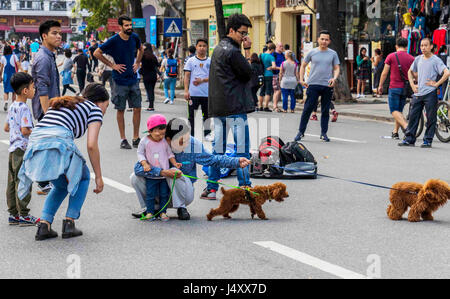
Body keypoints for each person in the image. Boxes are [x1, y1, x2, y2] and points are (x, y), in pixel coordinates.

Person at [18, 83, 109, 240]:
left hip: (36, 143)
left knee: (61, 185)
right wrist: (99, 176)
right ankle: (69, 222)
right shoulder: (94, 109)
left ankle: (44, 225)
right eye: (106, 106)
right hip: (57, 141)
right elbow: (92, 145)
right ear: (100, 102)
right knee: (83, 176)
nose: (105, 110)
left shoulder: (66, 102)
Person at [130, 118, 251, 220]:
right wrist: (162, 172)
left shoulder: (193, 144)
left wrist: (236, 161)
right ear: (168, 139)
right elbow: (138, 168)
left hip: (183, 192)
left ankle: (181, 208)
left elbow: (212, 159)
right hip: (157, 188)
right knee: (135, 177)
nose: (187, 144)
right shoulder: (156, 143)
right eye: (182, 141)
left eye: (188, 139)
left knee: (175, 173)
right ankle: (151, 208)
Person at [204, 13, 254, 200]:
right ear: (231, 30)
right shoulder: (233, 52)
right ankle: (245, 188)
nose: (244, 37)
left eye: (246, 34)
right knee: (242, 150)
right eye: (242, 33)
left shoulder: (218, 48)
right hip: (234, 108)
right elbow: (248, 73)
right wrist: (248, 51)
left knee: (218, 150)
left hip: (219, 108)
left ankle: (211, 188)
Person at [94, 15, 144, 150]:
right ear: (120, 27)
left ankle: (135, 137)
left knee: (137, 107)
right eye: (126, 25)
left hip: (133, 78)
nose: (129, 28)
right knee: (120, 109)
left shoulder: (134, 37)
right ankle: (123, 139)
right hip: (119, 80)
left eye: (130, 25)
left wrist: (138, 62)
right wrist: (112, 65)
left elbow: (142, 49)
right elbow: (97, 53)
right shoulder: (113, 40)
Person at [399, 38, 450, 148]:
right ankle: (409, 139)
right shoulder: (418, 59)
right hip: (418, 93)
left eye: (425, 45)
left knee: (431, 118)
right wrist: (413, 86)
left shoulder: (436, 60)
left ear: (431, 46)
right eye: (421, 45)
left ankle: (427, 140)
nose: (423, 48)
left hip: (430, 93)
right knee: (413, 117)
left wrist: (436, 84)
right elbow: (409, 72)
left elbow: (446, 73)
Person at [4, 72, 39, 226]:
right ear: (25, 91)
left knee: (12, 181)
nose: (35, 89)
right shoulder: (24, 107)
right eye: (33, 87)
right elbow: (25, 130)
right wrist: (37, 131)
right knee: (23, 180)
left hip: (13, 149)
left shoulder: (13, 106)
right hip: (22, 149)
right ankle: (24, 214)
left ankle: (13, 214)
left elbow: (6, 127)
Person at [295, 30, 340, 142]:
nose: (324, 41)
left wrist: (334, 78)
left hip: (327, 85)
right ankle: (301, 132)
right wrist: (301, 79)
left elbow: (337, 68)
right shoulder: (312, 52)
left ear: (329, 41)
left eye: (326, 39)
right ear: (318, 39)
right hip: (313, 84)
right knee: (307, 109)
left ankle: (323, 133)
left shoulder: (333, 53)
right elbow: (303, 65)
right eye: (322, 39)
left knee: (325, 110)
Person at [135, 114, 182, 221]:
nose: (160, 137)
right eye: (157, 135)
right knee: (150, 194)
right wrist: (145, 164)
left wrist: (175, 163)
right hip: (151, 175)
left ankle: (163, 212)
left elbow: (170, 154)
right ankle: (150, 212)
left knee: (164, 195)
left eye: (162, 134)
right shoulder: (145, 141)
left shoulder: (164, 142)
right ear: (150, 131)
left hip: (163, 176)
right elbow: (140, 153)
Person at [378, 37, 415, 139]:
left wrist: (380, 85)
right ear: (407, 46)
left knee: (394, 110)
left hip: (394, 87)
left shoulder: (391, 56)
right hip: (405, 88)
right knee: (399, 110)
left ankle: (407, 127)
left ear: (396, 46)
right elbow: (414, 74)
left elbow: (384, 73)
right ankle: (395, 132)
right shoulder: (411, 58)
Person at [184, 38, 212, 141]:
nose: (202, 48)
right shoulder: (191, 61)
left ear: (207, 47)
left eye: (204, 46)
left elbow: (213, 77)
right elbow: (187, 76)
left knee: (207, 115)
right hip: (193, 94)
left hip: (206, 94)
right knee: (191, 116)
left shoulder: (210, 61)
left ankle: (207, 133)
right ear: (196, 47)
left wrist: (202, 80)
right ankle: (191, 135)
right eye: (200, 46)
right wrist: (186, 91)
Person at [0, 45, 22, 111]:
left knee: (6, 91)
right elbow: (18, 65)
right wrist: (22, 71)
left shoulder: (3, 57)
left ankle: (6, 102)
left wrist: (0, 76)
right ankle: (13, 105)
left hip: (6, 75)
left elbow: (1, 68)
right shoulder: (14, 56)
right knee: (14, 92)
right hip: (13, 75)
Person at [140, 43, 159, 112]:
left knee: (148, 90)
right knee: (152, 90)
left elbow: (141, 64)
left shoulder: (143, 55)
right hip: (153, 75)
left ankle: (150, 106)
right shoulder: (153, 56)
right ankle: (152, 105)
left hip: (146, 75)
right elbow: (157, 65)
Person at [258, 42, 277, 112]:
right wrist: (271, 67)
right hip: (268, 75)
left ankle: (260, 106)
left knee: (262, 91)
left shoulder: (261, 55)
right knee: (268, 91)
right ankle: (266, 106)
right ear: (272, 49)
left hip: (262, 75)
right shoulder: (271, 57)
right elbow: (274, 66)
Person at [272, 42, 285, 112]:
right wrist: (280, 68)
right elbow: (271, 67)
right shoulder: (273, 55)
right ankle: (274, 106)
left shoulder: (283, 55)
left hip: (282, 75)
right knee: (277, 90)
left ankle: (276, 105)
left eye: (282, 46)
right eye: (280, 46)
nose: (282, 48)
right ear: (276, 47)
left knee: (279, 91)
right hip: (275, 74)